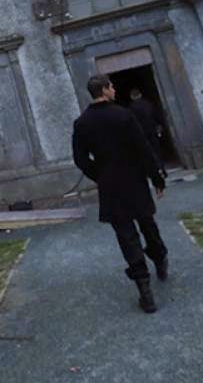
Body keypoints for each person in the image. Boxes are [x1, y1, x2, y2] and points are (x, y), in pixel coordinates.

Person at [72, 74, 169, 313]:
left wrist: (100, 175)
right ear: (104, 90)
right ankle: (160, 260)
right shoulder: (124, 115)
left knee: (126, 236)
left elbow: (80, 159)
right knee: (147, 224)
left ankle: (145, 292)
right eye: (112, 86)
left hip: (110, 186)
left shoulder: (81, 123)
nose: (115, 90)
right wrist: (156, 177)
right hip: (134, 179)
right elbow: (143, 148)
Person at [128, 88, 168, 178]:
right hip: (153, 131)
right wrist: (159, 126)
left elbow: (132, 122)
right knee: (157, 151)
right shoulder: (148, 104)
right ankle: (162, 170)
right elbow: (157, 116)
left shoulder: (131, 108)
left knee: (147, 153)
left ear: (132, 97)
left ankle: (152, 172)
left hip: (141, 134)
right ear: (140, 95)